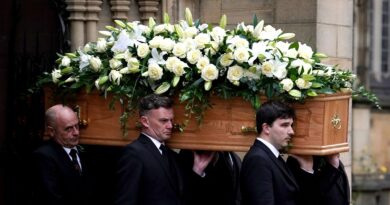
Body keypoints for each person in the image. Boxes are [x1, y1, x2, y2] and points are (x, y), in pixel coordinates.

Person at [115, 94, 213, 205]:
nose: (170, 126)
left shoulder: (173, 156)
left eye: (171, 120)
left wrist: (197, 170)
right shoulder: (133, 153)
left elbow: (184, 197)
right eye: (163, 121)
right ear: (145, 121)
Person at [240, 100, 301, 205]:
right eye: (284, 125)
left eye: (291, 125)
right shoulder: (258, 159)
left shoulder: (270, 155)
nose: (291, 131)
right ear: (266, 128)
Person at [32, 104, 94, 205]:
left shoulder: (85, 152)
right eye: (69, 129)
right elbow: (52, 199)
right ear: (51, 131)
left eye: (77, 126)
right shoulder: (44, 156)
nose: (76, 132)